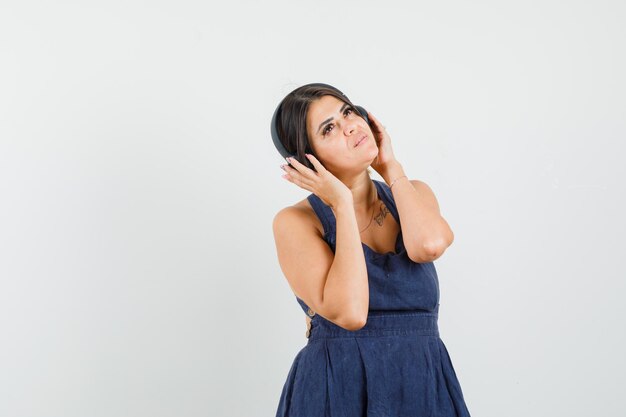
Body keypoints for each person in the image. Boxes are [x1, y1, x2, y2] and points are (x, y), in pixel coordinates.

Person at [271, 83, 471, 417]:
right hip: (337, 390)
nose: (350, 125)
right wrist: (341, 204)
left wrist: (392, 168)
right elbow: (351, 314)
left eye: (348, 111)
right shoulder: (295, 222)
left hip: (422, 385)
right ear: (308, 161)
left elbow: (429, 245)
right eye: (329, 128)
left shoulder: (412, 193)